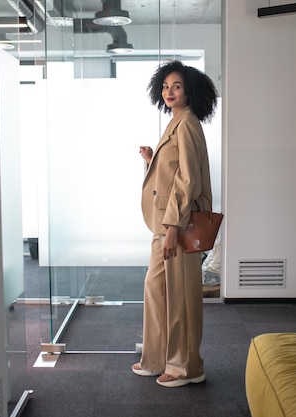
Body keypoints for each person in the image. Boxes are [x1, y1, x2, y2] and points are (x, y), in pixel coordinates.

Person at [132, 60, 218, 388]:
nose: (170, 91)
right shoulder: (174, 122)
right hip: (163, 223)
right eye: (166, 86)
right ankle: (156, 358)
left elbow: (189, 180)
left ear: (189, 91)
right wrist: (152, 159)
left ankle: (186, 367)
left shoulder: (188, 123)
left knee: (179, 295)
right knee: (155, 289)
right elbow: (172, 171)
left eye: (177, 86)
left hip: (176, 227)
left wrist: (173, 228)